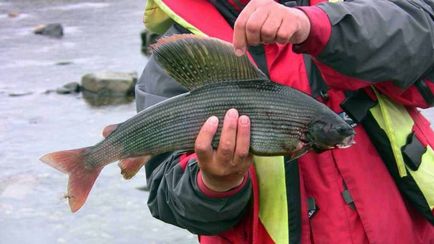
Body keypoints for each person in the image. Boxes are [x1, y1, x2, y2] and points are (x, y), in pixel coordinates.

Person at [106, 0, 434, 243]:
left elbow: (424, 35)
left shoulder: (352, 5)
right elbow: (167, 197)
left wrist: (317, 27)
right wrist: (216, 184)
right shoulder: (181, 53)